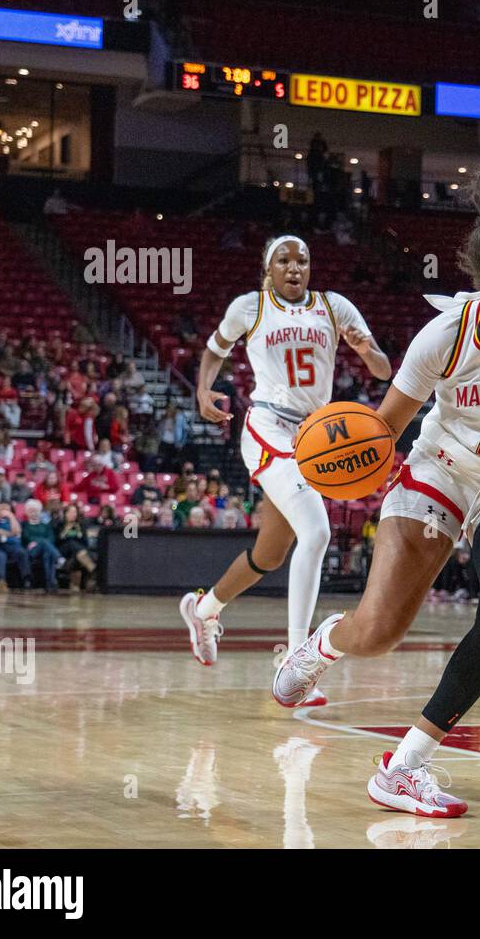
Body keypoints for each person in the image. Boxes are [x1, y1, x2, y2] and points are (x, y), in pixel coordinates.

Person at [271, 167, 480, 818]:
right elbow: (388, 429)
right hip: (440, 473)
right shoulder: (448, 333)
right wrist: (353, 468)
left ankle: (404, 767)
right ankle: (321, 647)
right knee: (378, 632)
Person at [179, 235, 392, 708]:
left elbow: (380, 369)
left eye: (303, 261)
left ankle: (204, 608)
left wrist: (366, 349)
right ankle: (298, 661)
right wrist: (203, 391)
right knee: (316, 533)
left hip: (313, 437)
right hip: (268, 426)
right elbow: (214, 349)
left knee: (270, 554)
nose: (295, 267)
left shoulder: (334, 307)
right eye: (284, 260)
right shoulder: (250, 307)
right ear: (268, 268)